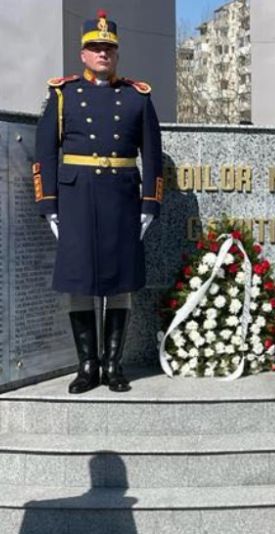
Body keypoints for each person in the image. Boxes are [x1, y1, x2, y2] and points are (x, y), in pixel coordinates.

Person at [32, 9, 163, 393]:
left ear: (117, 53)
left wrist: (150, 204)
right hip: (77, 199)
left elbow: (153, 156)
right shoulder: (63, 94)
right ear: (83, 54)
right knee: (80, 281)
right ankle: (87, 366)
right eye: (95, 47)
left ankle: (113, 365)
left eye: (109, 48)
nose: (103, 53)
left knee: (120, 282)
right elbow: (45, 153)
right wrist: (48, 204)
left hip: (121, 199)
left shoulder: (137, 97)